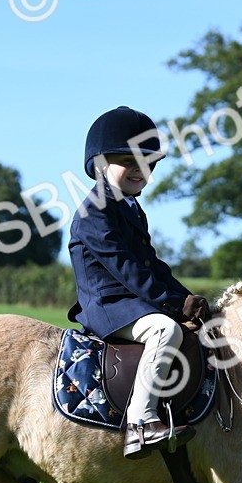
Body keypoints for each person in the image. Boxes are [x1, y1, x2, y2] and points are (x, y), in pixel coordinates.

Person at [67, 106, 210, 459]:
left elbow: (154, 267)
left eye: (146, 163)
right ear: (100, 164)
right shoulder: (93, 212)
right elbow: (128, 270)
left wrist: (187, 298)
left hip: (133, 304)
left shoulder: (130, 208)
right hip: (109, 308)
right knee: (165, 330)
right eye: (127, 161)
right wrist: (174, 307)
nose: (138, 169)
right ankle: (141, 422)